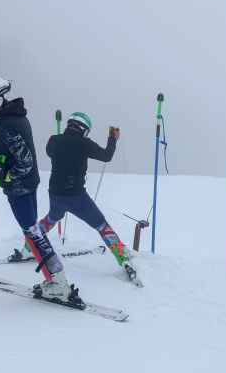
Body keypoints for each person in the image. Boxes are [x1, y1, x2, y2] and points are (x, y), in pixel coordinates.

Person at [0, 77, 83, 306]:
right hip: (29, 183)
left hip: (20, 187)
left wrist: (6, 174)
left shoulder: (6, 124)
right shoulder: (15, 116)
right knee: (33, 232)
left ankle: (59, 283)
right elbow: (17, 154)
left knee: (33, 234)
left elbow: (24, 160)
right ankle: (54, 280)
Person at [14, 112, 140, 285]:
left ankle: (29, 247)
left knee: (52, 218)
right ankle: (123, 257)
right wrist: (113, 138)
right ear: (83, 129)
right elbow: (106, 156)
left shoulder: (54, 140)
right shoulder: (84, 144)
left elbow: (51, 152)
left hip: (55, 195)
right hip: (77, 197)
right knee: (101, 224)